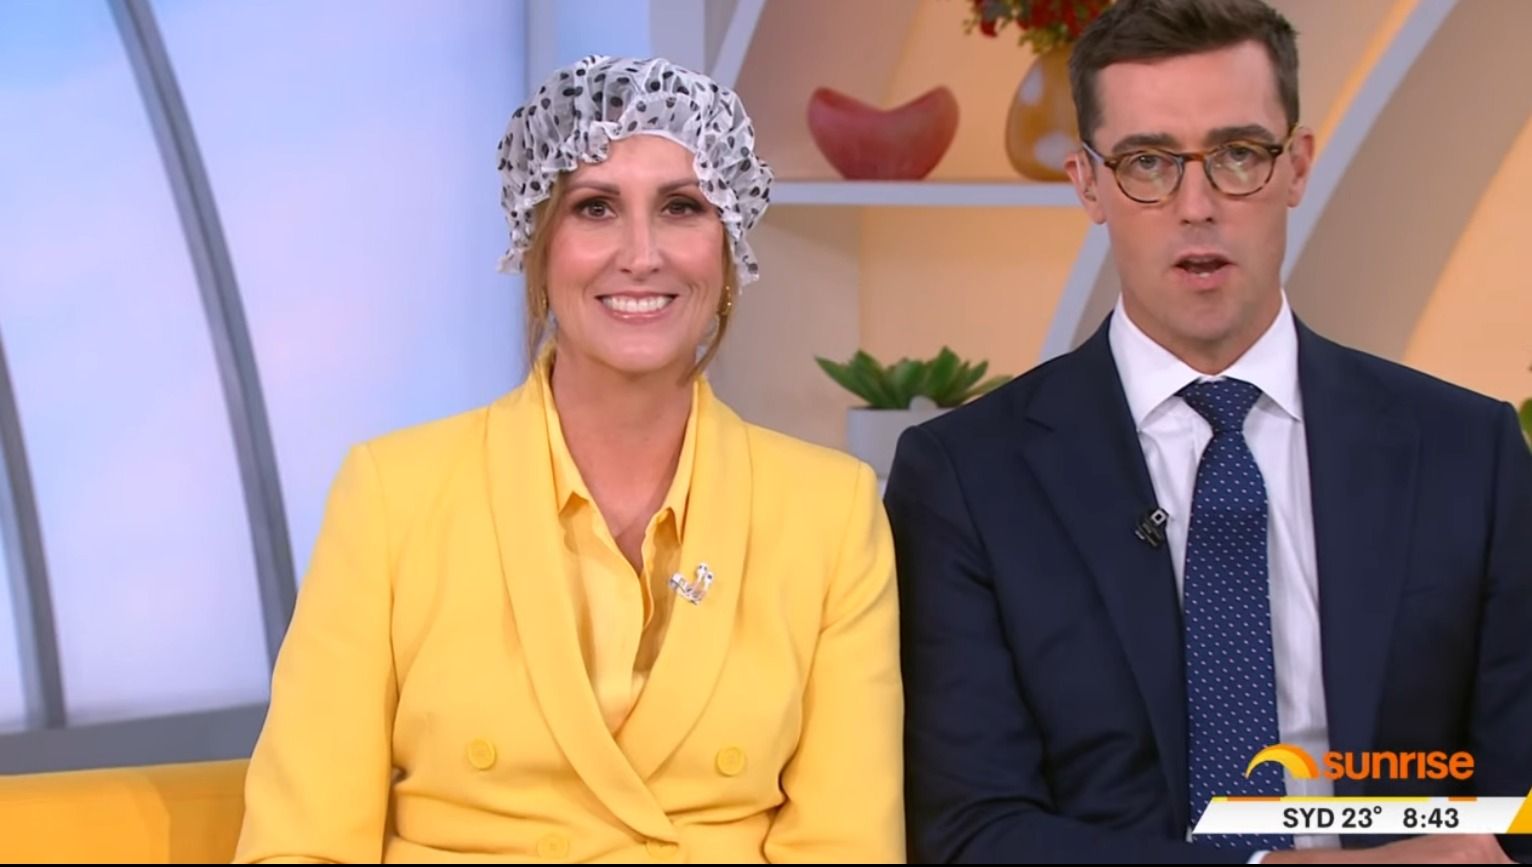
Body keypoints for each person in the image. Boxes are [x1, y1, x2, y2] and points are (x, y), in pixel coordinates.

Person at [886, 0, 1531, 862]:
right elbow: (972, 830)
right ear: (1088, 184)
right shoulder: (965, 477)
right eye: (1148, 162)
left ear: (1297, 166)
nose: (1197, 205)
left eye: (1238, 155)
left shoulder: (1468, 452)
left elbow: (1518, 803)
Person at [234, 54, 904, 863]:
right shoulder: (391, 496)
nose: (641, 254)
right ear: (537, 244)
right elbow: (300, 844)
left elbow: (848, 846)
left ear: (728, 248)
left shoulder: (832, 514)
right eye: (595, 207)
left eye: (682, 207)